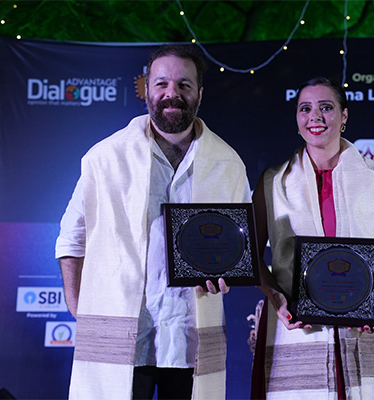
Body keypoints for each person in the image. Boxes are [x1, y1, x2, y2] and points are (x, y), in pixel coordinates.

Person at [55, 44, 251, 400]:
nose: (171, 93)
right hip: (121, 337)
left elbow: (239, 243)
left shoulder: (228, 163)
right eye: (161, 84)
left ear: (200, 93)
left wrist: (227, 272)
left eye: (184, 85)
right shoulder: (105, 158)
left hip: (189, 337)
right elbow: (72, 237)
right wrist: (77, 306)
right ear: (147, 89)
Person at [251, 77, 374, 399]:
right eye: (305, 108)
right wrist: (276, 298)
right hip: (299, 328)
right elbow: (251, 256)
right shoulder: (273, 182)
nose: (315, 116)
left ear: (344, 116)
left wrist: (370, 296)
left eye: (326, 107)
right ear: (297, 118)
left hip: (366, 327)